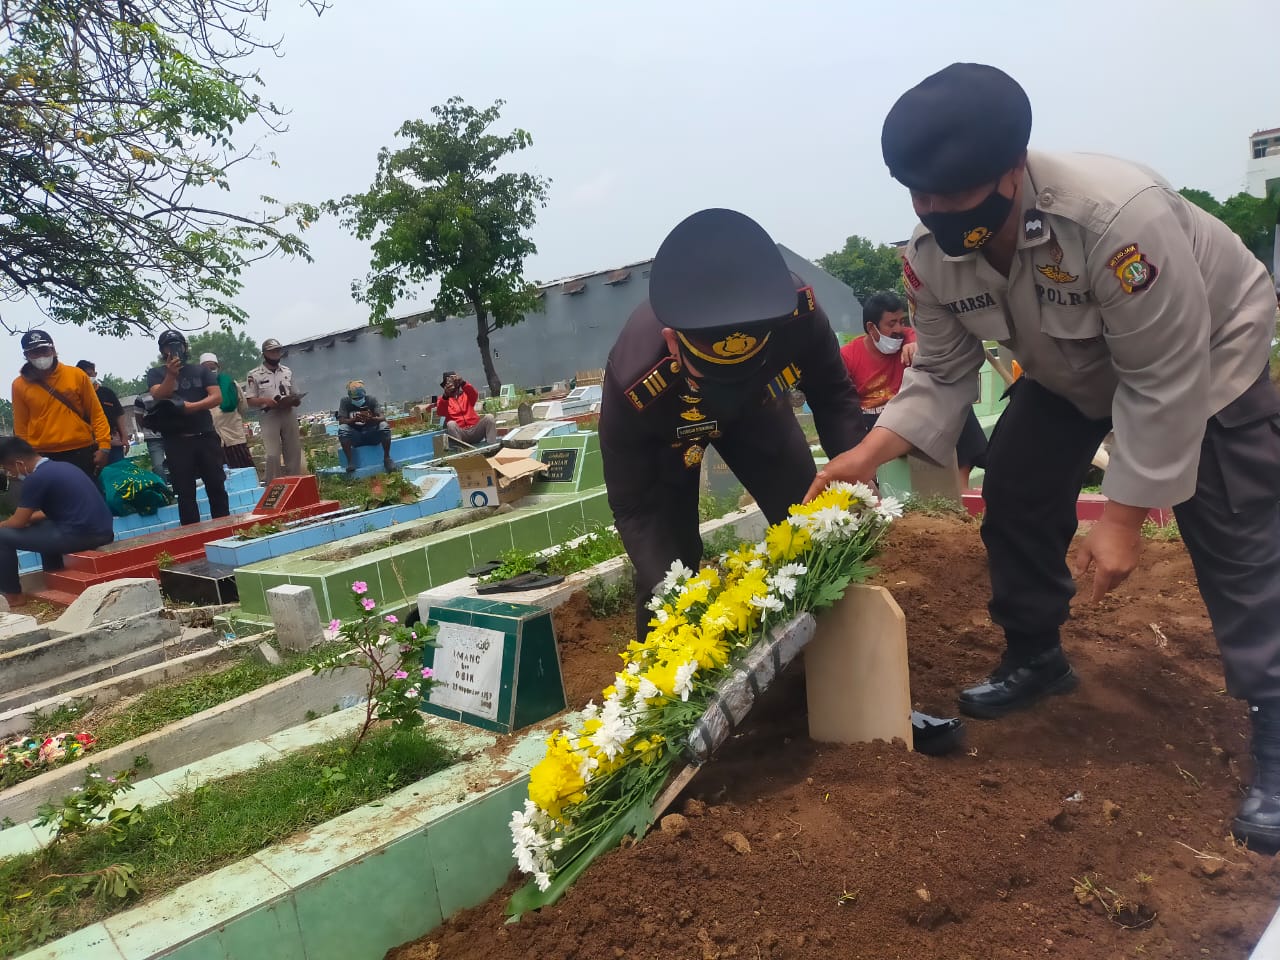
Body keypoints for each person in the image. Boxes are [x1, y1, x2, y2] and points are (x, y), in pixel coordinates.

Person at [809, 62, 1280, 847]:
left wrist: (1122, 519)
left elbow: (1161, 377)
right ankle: (1036, 655)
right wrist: (871, 448)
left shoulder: (1116, 219)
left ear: (1011, 170)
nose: (935, 211)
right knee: (1018, 491)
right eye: (919, 195)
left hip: (1206, 361)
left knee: (1238, 535)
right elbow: (941, 371)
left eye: (953, 195)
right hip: (1071, 371)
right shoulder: (932, 253)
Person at [600, 207, 963, 754]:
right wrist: (681, 597)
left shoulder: (796, 311)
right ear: (675, 344)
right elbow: (634, 509)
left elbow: (835, 398)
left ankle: (853, 686)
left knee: (817, 526)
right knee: (668, 572)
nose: (730, 384)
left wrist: (854, 475)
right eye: (716, 373)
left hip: (760, 413)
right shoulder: (636, 378)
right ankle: (661, 720)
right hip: (669, 432)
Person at [840, 292, 987, 488]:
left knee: (959, 408)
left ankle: (961, 489)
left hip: (909, 416)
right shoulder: (848, 356)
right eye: (891, 324)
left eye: (901, 321)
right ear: (871, 328)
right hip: (873, 423)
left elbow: (919, 336)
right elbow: (843, 406)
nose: (899, 329)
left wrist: (917, 345)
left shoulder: (909, 339)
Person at [0, 436, 114, 606]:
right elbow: (46, 513)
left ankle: (13, 595)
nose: (11, 475)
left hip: (80, 536)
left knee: (2, 536)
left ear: (19, 463)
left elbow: (17, 522)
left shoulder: (35, 478)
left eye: (9, 469)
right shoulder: (63, 467)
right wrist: (29, 519)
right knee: (42, 525)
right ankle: (53, 575)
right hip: (102, 531)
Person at [146, 330, 229, 526]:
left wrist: (193, 407)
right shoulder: (155, 373)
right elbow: (159, 394)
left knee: (216, 484)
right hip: (177, 440)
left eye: (177, 345)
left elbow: (216, 396)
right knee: (185, 491)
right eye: (168, 346)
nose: (174, 350)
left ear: (185, 347)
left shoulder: (201, 371)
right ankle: (192, 533)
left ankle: (225, 526)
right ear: (162, 350)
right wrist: (170, 375)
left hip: (205, 435)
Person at [11, 330, 111, 481]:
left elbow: (96, 413)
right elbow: (21, 427)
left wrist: (104, 446)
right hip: (42, 456)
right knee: (53, 503)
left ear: (53, 350)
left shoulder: (76, 375)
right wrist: (26, 458)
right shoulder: (19, 385)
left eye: (44, 350)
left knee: (88, 500)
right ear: (26, 356)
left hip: (81, 451)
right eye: (34, 352)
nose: (41, 356)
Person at [244, 337, 303, 481]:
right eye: (272, 352)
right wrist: (265, 401)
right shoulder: (254, 374)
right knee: (272, 454)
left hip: (288, 412)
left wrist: (295, 401)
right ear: (264, 353)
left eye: (277, 351)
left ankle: (295, 482)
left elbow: (295, 393)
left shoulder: (287, 371)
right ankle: (274, 484)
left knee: (294, 451)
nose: (275, 354)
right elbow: (250, 400)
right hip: (269, 415)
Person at [199, 353, 255, 472]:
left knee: (245, 471)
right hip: (213, 441)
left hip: (234, 436)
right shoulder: (198, 389)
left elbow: (243, 407)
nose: (210, 370)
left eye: (212, 367)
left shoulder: (231, 384)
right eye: (206, 368)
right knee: (221, 476)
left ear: (218, 368)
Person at [75, 361, 130, 465]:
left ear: (95, 374)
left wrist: (124, 437)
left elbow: (119, 414)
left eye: (90, 374)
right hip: (90, 446)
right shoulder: (76, 396)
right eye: (84, 374)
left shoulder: (107, 393)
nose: (87, 377)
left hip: (113, 443)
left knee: (117, 473)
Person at [337, 380, 395, 473]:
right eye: (354, 399)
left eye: (359, 398)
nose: (357, 400)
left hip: (372, 434)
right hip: (356, 437)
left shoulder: (371, 400)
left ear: (364, 395)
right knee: (343, 429)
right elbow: (341, 421)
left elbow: (382, 417)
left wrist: (372, 419)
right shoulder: (345, 402)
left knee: (384, 426)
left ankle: (387, 458)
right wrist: (353, 420)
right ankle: (350, 462)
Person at [436, 372, 497, 447]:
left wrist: (463, 382)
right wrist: (446, 395)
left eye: (453, 380)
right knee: (451, 424)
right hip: (461, 434)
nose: (451, 384)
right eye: (448, 382)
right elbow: (441, 412)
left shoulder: (466, 394)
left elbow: (474, 394)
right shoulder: (443, 399)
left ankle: (492, 446)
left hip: (475, 430)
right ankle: (462, 451)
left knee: (489, 417)